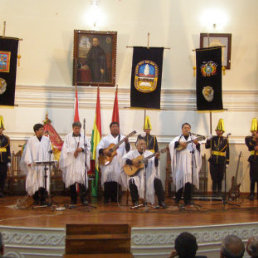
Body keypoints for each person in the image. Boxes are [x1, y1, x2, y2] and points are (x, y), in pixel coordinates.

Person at [122, 137, 166, 208]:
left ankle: (161, 201)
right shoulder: (132, 153)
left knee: (157, 181)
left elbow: (156, 164)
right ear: (137, 146)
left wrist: (157, 158)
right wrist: (132, 161)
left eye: (144, 144)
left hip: (148, 176)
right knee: (132, 181)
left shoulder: (150, 153)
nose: (143, 145)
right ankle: (135, 201)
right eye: (141, 144)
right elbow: (124, 160)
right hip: (136, 175)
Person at [169, 123, 202, 205]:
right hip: (180, 163)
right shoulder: (178, 138)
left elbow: (199, 148)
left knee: (188, 181)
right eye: (185, 128)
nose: (186, 129)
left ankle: (187, 200)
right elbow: (171, 144)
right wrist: (179, 143)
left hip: (190, 164)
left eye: (188, 128)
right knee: (179, 179)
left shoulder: (193, 139)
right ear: (182, 129)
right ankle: (177, 198)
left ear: (190, 129)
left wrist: (197, 144)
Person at [97, 122, 130, 203]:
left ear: (118, 128)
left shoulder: (122, 138)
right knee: (107, 177)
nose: (115, 128)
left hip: (118, 163)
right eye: (113, 126)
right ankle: (106, 197)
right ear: (110, 128)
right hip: (107, 162)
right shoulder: (105, 139)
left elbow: (128, 150)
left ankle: (115, 197)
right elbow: (99, 148)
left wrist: (126, 143)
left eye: (116, 126)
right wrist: (105, 152)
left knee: (117, 177)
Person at [21, 123, 53, 205]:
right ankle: (36, 199)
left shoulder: (47, 140)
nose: (43, 131)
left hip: (43, 165)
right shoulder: (31, 140)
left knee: (43, 181)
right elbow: (28, 152)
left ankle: (43, 199)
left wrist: (50, 161)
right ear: (36, 131)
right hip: (34, 165)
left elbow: (50, 151)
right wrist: (29, 161)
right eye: (41, 129)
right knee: (34, 181)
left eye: (43, 129)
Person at [60, 121, 90, 205]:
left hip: (80, 162)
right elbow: (64, 149)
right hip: (71, 162)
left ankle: (83, 198)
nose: (77, 130)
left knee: (82, 180)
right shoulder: (68, 137)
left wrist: (82, 149)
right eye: (75, 128)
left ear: (80, 129)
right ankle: (73, 199)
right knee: (72, 181)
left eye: (78, 128)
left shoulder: (84, 137)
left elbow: (88, 147)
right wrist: (74, 151)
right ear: (73, 128)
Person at [205, 119, 229, 195]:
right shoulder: (213, 139)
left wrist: (227, 161)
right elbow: (207, 146)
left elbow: (228, 151)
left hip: (222, 161)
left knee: (220, 177)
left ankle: (219, 192)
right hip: (213, 160)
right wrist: (208, 139)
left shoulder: (225, 140)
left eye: (219, 130)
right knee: (214, 177)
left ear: (222, 131)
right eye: (217, 130)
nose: (218, 132)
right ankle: (214, 193)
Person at [245, 118, 258, 200]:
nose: (254, 132)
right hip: (253, 159)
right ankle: (252, 193)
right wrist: (254, 144)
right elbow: (249, 147)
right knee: (253, 177)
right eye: (253, 131)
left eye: (256, 131)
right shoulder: (248, 138)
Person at [0, 116, 11, 198]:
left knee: (3, 176)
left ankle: (1, 191)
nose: (0, 130)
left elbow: (8, 150)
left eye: (1, 128)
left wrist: (9, 161)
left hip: (3, 161)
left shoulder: (6, 138)